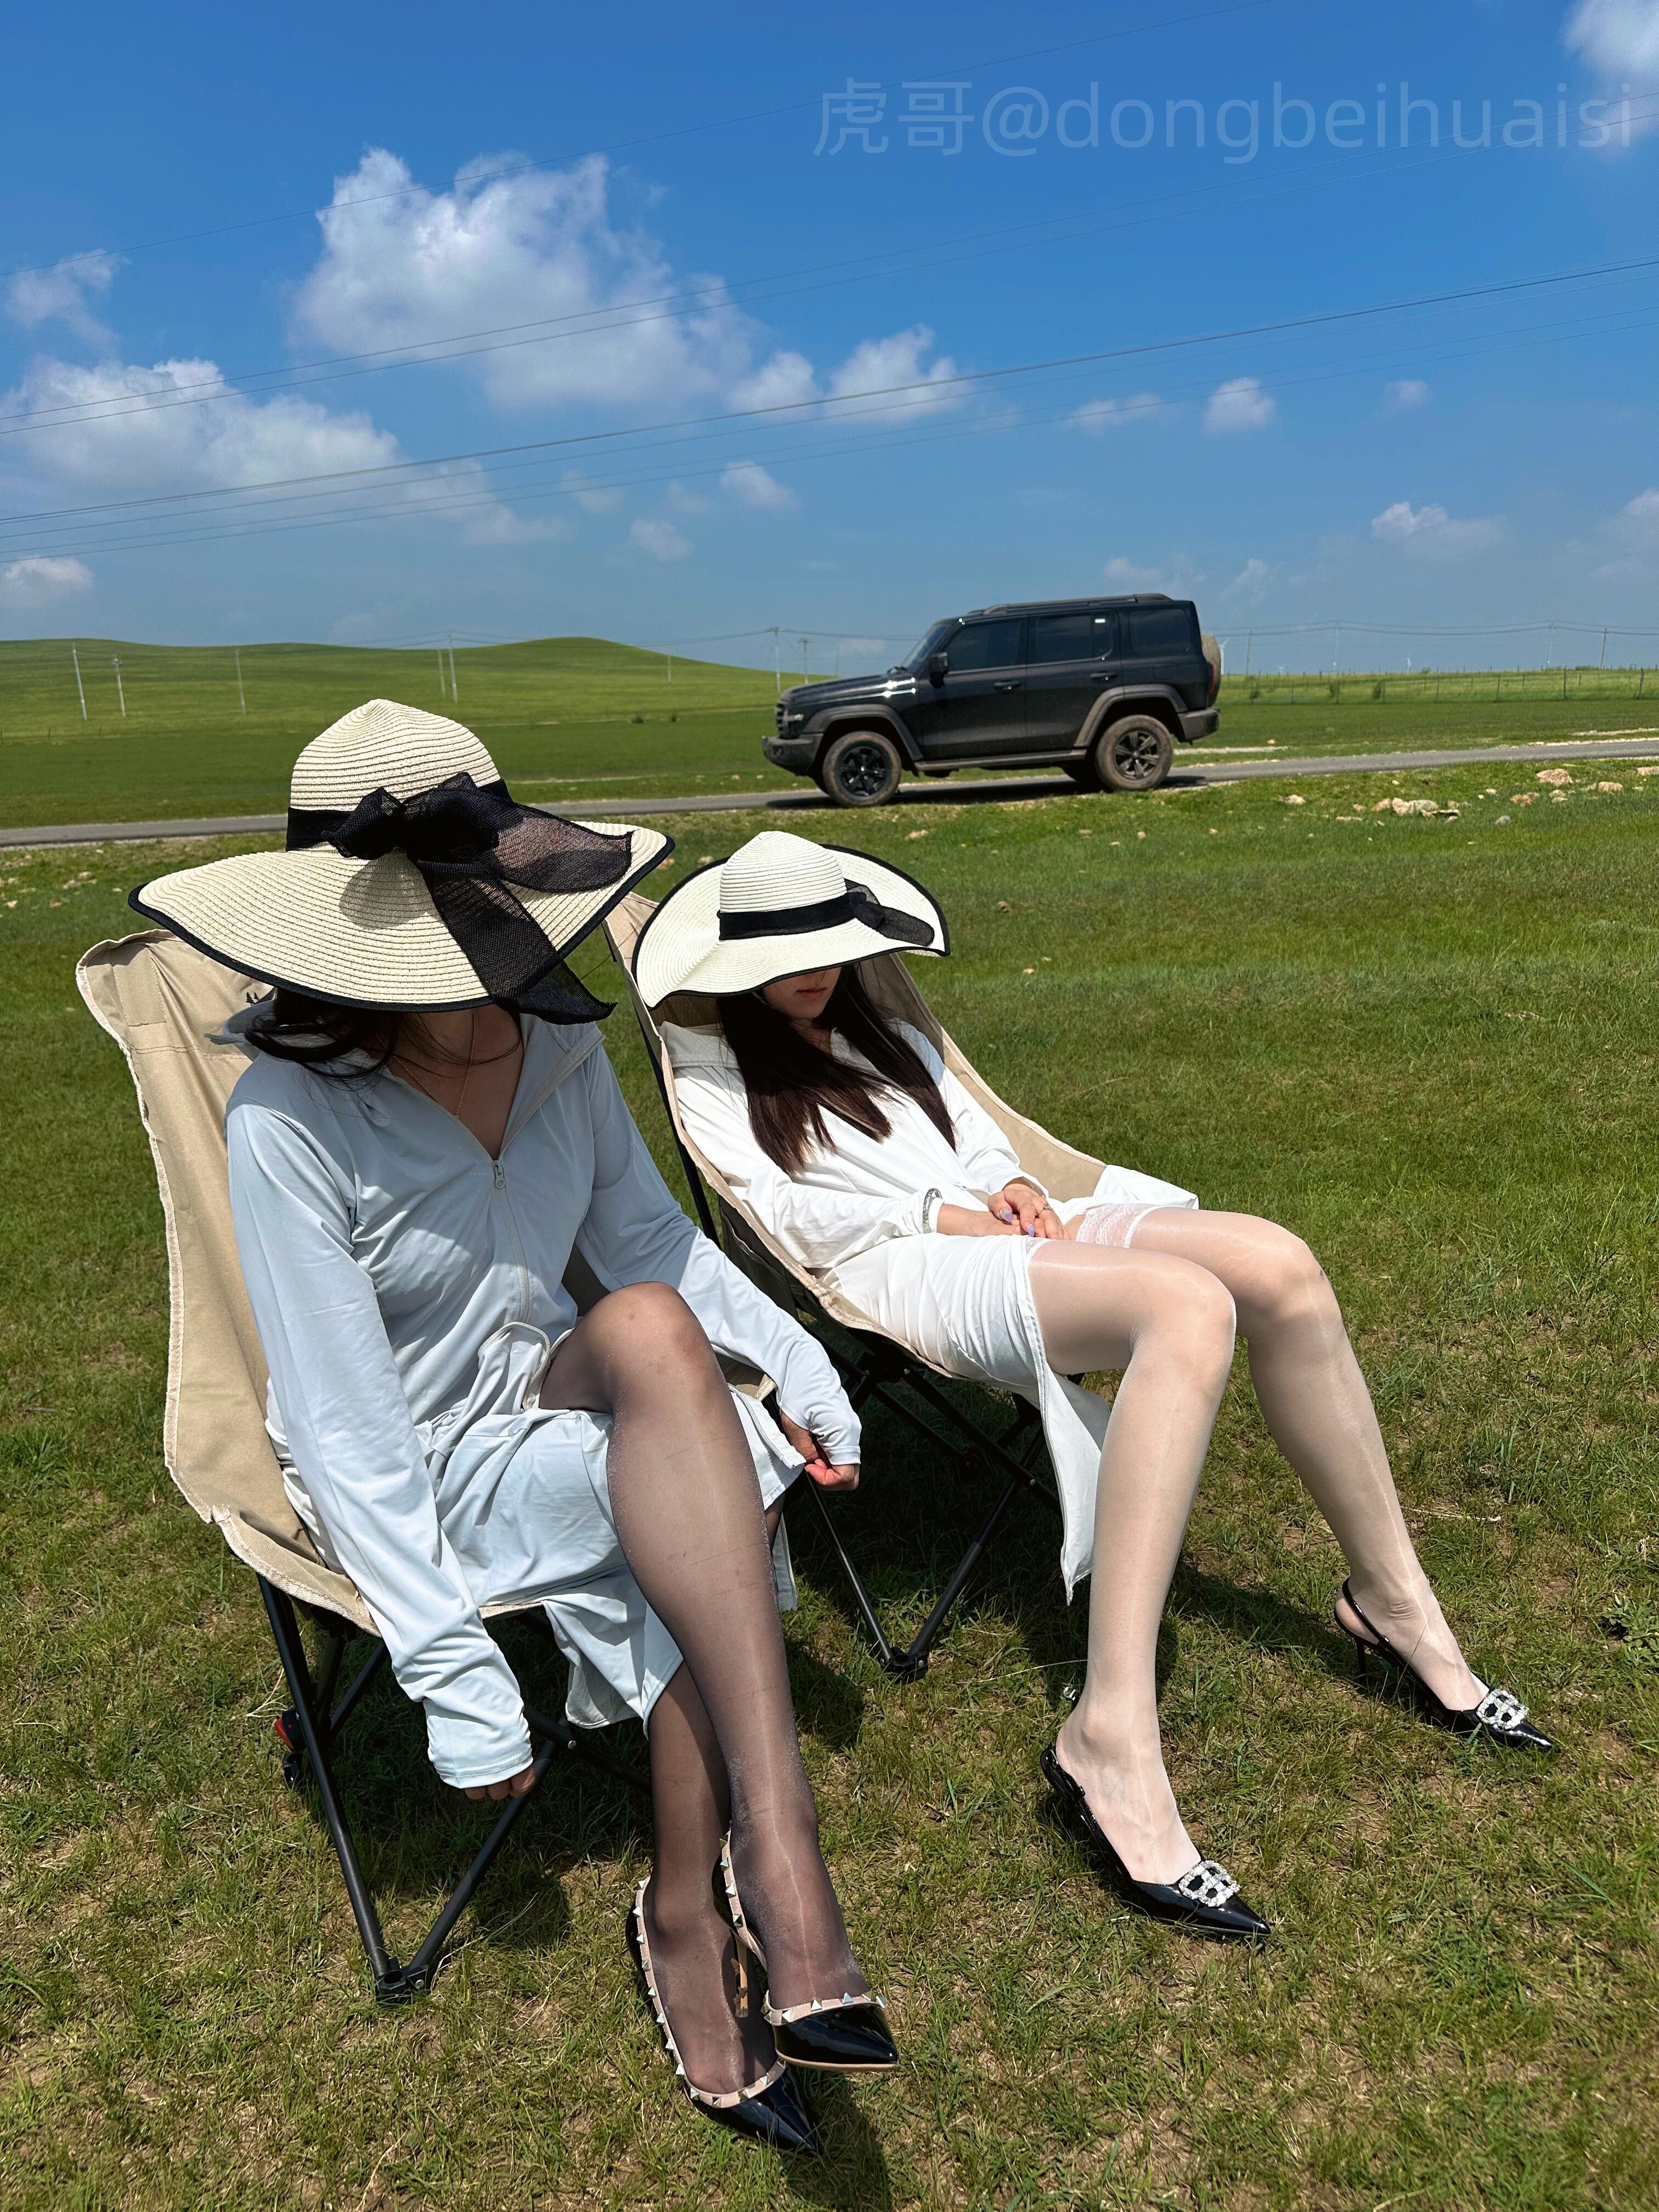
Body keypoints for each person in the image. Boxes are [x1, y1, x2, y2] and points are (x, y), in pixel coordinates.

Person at [129, 705, 899, 2156]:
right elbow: (349, 1427)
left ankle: (765, 1848)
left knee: (657, 1333)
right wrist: (446, 1660)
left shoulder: (553, 1048)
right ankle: (702, 1907)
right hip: (414, 1463)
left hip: (548, 1386)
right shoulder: (291, 1117)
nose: (475, 976)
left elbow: (650, 1245)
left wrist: (797, 1360)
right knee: (696, 1491)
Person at [635, 831, 1554, 1942]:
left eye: (833, 944)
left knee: (1280, 1265)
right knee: (1187, 1307)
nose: (819, 969)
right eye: (791, 955)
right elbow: (780, 1217)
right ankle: (1111, 1733)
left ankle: (1393, 1603)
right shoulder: (711, 1063)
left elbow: (974, 1135)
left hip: (1001, 1227)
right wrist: (945, 1215)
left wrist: (1011, 1183)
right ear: (738, 960)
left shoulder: (883, 1020)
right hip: (895, 1266)